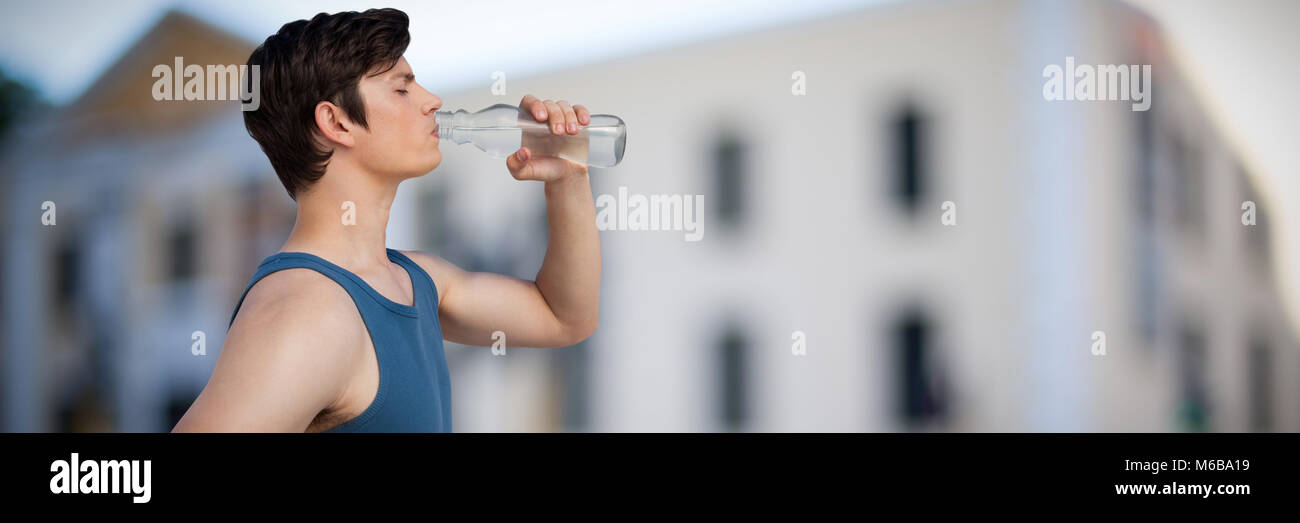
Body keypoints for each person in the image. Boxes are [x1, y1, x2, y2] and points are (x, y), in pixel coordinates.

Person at [172, 8, 600, 432]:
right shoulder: (305, 311)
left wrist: (567, 178)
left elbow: (564, 317)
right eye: (402, 89)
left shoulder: (419, 282)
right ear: (336, 122)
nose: (432, 101)